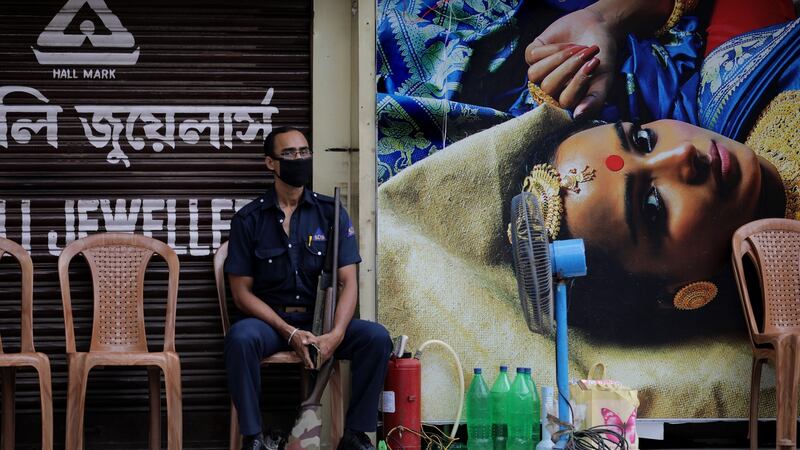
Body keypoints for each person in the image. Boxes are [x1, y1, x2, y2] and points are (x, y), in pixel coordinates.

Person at [224, 126, 392, 450]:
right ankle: (253, 437)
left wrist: (336, 335)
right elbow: (241, 293)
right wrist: (288, 331)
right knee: (239, 339)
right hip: (272, 325)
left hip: (323, 323)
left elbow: (348, 282)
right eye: (289, 154)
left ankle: (356, 435)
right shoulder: (249, 220)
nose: (299, 159)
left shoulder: (331, 213)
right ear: (270, 163)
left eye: (304, 152)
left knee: (376, 338)